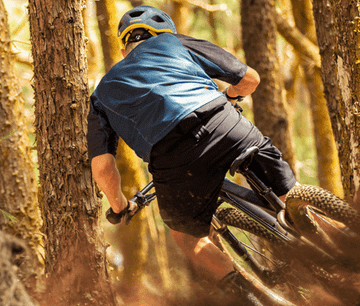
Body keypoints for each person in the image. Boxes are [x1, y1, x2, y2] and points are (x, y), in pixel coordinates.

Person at [87, 5, 298, 283]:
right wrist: (232, 98)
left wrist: (120, 206)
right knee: (290, 197)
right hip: (224, 124)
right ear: (163, 33)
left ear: (125, 49)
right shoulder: (175, 43)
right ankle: (337, 235)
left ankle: (251, 298)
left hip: (174, 160)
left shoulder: (102, 93)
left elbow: (102, 167)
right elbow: (250, 79)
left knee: (187, 238)